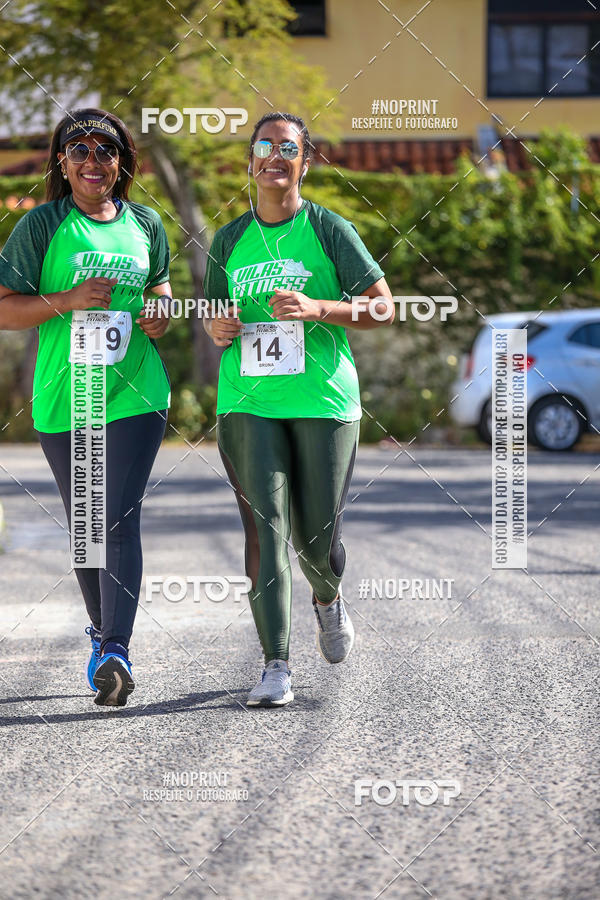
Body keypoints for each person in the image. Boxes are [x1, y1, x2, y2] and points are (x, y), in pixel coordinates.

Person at [204, 112, 394, 708]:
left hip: (323, 399)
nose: (275, 156)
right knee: (267, 527)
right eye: (264, 146)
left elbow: (382, 308)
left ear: (304, 163)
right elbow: (212, 316)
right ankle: (276, 665)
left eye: (288, 148)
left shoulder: (330, 229)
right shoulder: (229, 239)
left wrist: (317, 308)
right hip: (248, 400)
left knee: (316, 540)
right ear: (251, 162)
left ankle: (328, 597)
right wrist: (216, 326)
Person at [0, 108, 172, 707]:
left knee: (117, 514)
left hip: (136, 390)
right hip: (65, 395)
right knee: (87, 527)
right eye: (80, 150)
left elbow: (161, 288)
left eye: (106, 151)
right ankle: (101, 638)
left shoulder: (146, 223)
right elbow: (4, 308)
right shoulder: (42, 227)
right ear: (62, 162)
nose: (93, 161)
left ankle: (116, 647)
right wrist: (67, 299)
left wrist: (159, 312)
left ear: (122, 162)